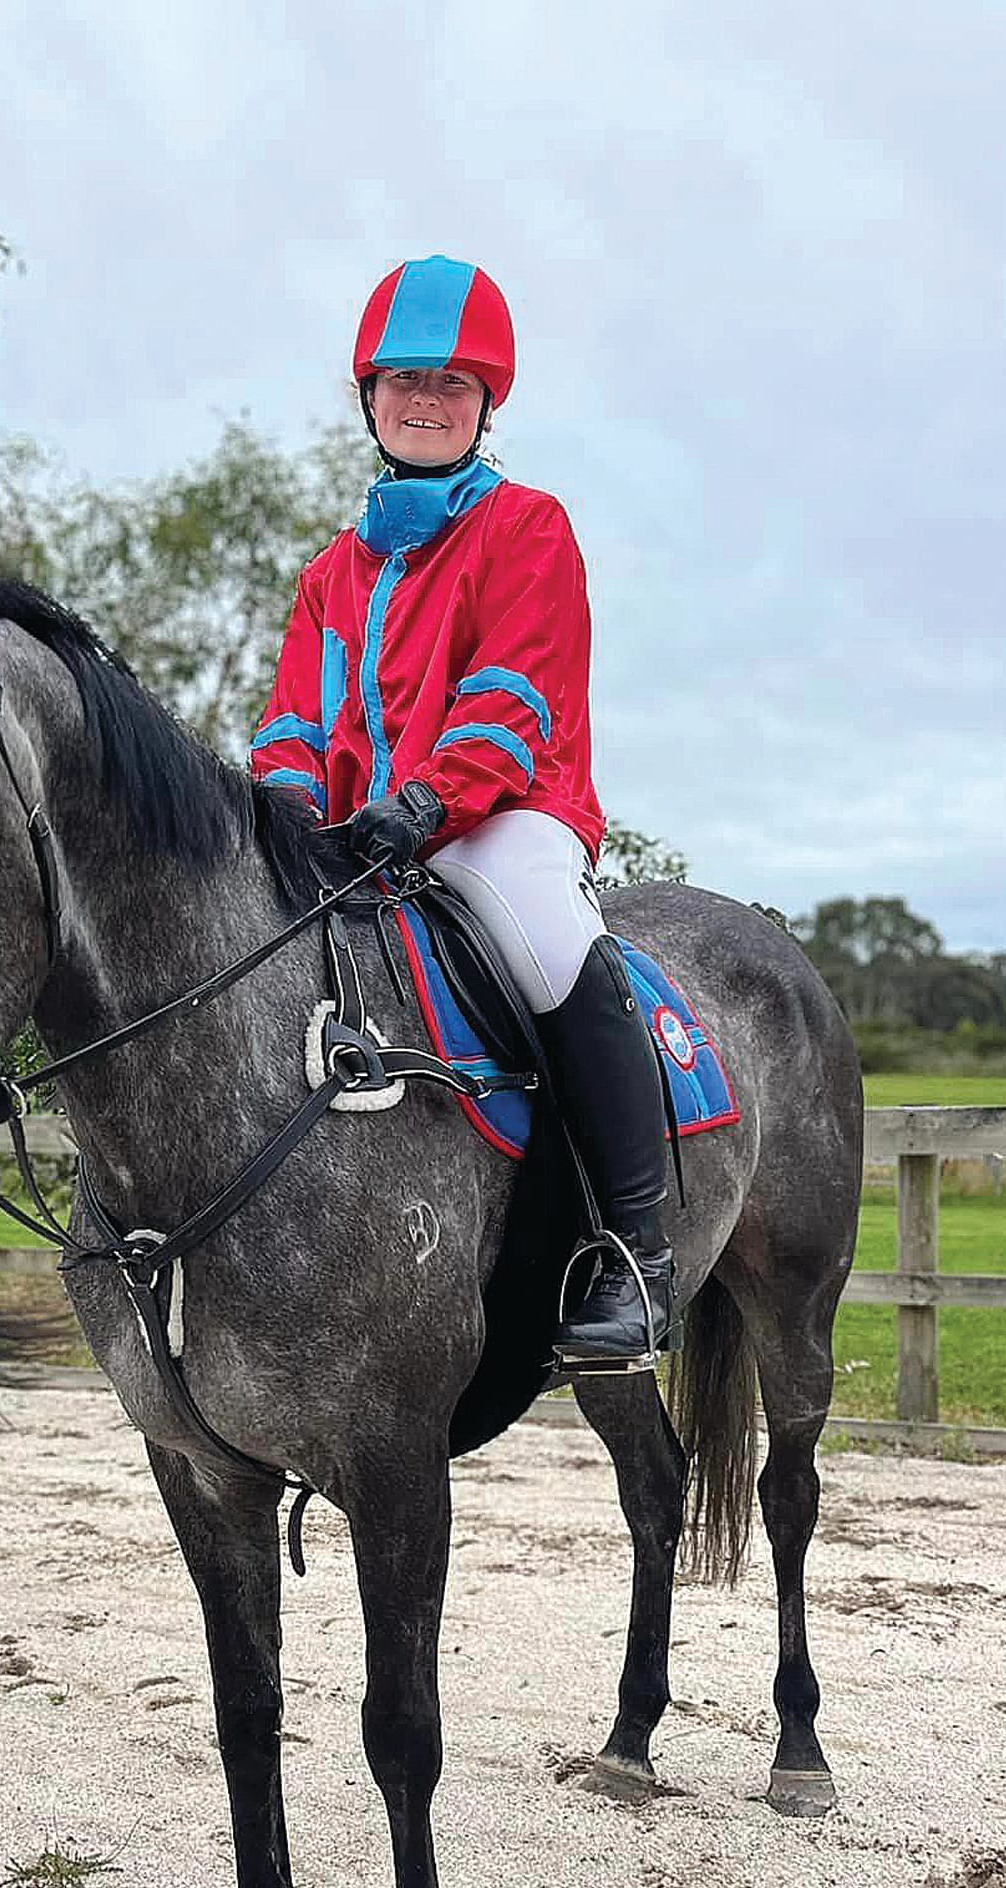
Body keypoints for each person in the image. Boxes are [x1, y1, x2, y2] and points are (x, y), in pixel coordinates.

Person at [250, 257, 675, 1367]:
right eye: (402, 380)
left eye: (449, 381)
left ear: (485, 402)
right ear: (368, 398)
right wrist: (283, 818)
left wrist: (424, 802)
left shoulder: (526, 527)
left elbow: (514, 695)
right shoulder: (327, 574)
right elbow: (294, 722)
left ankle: (635, 1251)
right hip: (357, 843)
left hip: (503, 816)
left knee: (539, 928)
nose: (423, 399)